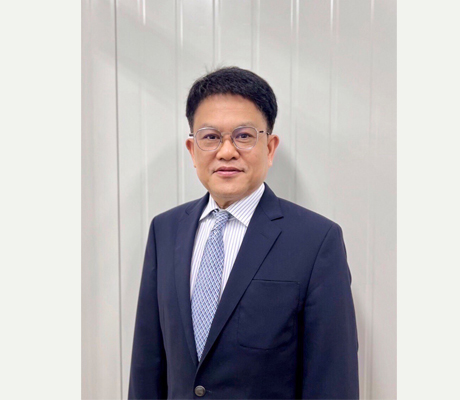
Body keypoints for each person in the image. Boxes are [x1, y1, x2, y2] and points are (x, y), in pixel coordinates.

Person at [128, 67, 359, 399]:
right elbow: (147, 364)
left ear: (270, 147)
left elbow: (332, 379)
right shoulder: (165, 230)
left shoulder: (317, 241)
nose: (226, 151)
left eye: (244, 135)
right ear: (192, 150)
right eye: (210, 137)